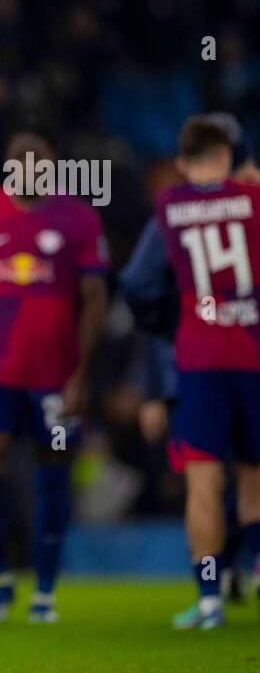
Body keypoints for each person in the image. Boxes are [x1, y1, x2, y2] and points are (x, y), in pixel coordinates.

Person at [0, 130, 109, 623]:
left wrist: (82, 374)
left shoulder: (79, 218)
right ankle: (1, 579)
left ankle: (45, 588)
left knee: (53, 470)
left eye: (38, 161)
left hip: (55, 375)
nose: (28, 170)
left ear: (54, 166)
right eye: (17, 162)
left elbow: (94, 299)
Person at [145, 116, 260, 628]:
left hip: (199, 359)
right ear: (228, 154)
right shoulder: (253, 197)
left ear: (180, 161)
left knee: (203, 483)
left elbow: (146, 282)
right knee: (254, 481)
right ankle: (253, 564)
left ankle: (209, 599)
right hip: (253, 353)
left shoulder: (170, 207)